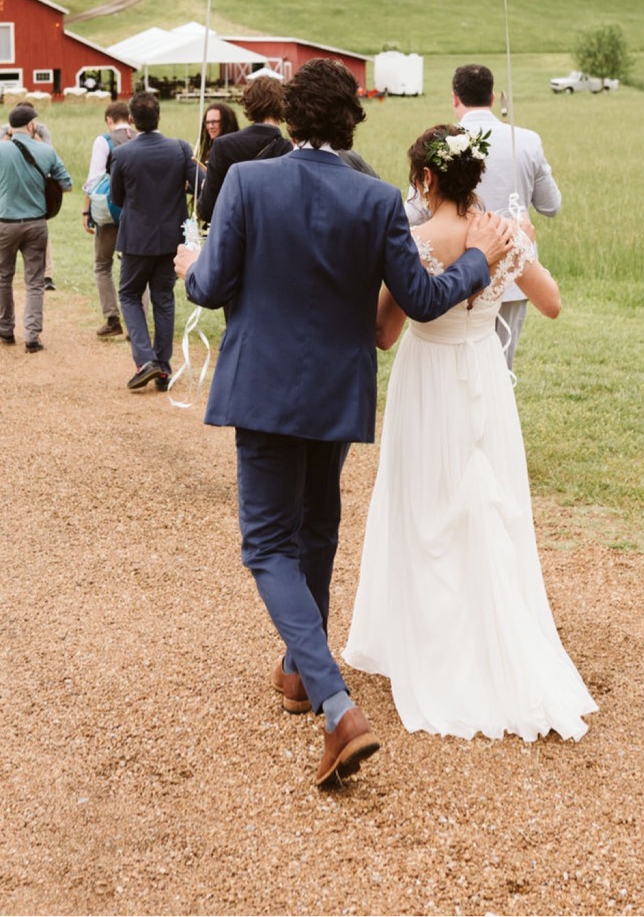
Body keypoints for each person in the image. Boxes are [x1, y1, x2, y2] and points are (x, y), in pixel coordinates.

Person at [174, 60, 512, 789]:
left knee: (268, 543)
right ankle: (299, 672)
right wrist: (478, 261)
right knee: (318, 528)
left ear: (291, 117)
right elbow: (421, 298)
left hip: (264, 387)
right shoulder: (375, 197)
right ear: (351, 119)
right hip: (335, 390)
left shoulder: (249, 182)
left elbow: (210, 284)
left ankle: (335, 704)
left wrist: (188, 262)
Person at [343, 124, 596, 742]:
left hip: (428, 375)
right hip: (483, 366)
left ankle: (435, 643)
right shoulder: (505, 238)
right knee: (490, 500)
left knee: (426, 503)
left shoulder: (416, 238)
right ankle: (497, 631)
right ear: (474, 177)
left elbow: (384, 332)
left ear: (427, 180)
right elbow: (553, 303)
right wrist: (523, 247)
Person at [410, 63, 561, 368]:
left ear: (455, 98)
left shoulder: (437, 147)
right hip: (512, 274)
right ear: (492, 98)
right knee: (499, 366)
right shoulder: (527, 141)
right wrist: (519, 238)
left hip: (445, 270)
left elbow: (412, 213)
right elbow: (551, 205)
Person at [110, 92, 195, 392]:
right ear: (159, 117)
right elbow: (198, 185)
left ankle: (147, 360)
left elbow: (116, 198)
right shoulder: (181, 149)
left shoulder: (122, 154)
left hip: (136, 238)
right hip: (172, 238)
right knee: (164, 298)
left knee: (130, 294)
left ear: (132, 120)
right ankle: (164, 366)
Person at [0, 104, 72, 354]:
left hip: (6, 223)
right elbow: (66, 183)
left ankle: (5, 327)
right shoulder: (46, 151)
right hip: (36, 223)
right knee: (35, 282)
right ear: (32, 125)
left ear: (10, 127)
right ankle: (32, 336)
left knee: (3, 277)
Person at [194, 75, 291, 225]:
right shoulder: (290, 150)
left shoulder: (223, 146)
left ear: (248, 104)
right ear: (282, 104)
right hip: (275, 237)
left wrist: (205, 187)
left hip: (238, 239)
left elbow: (207, 210)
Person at [81, 101, 136, 339]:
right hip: (137, 213)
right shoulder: (141, 138)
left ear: (109, 120)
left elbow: (94, 181)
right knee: (133, 266)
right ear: (130, 118)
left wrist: (86, 212)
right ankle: (137, 323)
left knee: (103, 264)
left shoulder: (103, 141)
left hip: (110, 212)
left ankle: (112, 319)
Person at [0, 106, 58, 290]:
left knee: (42, 235)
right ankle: (2, 278)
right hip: (10, 193)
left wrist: (33, 137)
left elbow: (49, 153)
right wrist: (10, 134)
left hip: (35, 192)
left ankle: (47, 276)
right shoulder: (4, 129)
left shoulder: (41, 130)